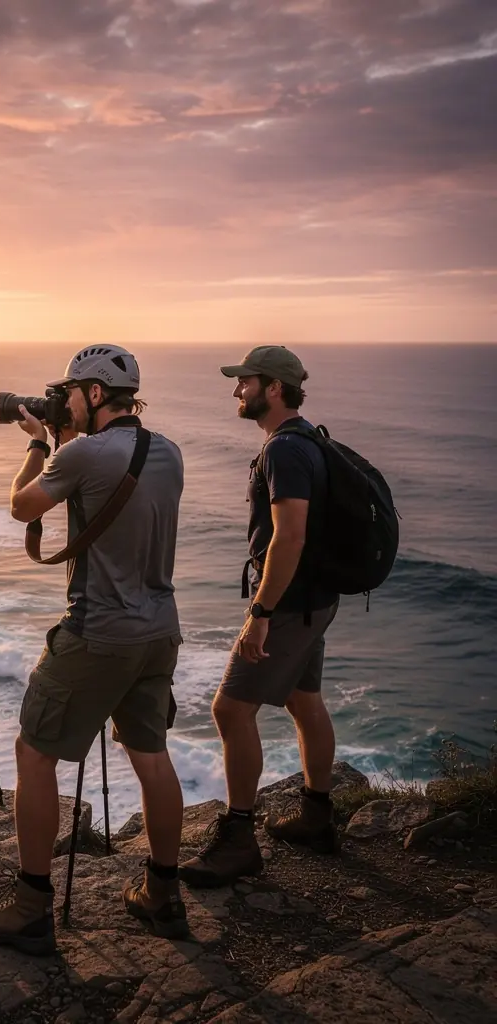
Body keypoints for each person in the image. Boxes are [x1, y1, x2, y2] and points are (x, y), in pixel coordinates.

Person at [0, 345, 188, 955]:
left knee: (34, 755)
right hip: (159, 631)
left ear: (92, 394)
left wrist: (40, 443)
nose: (64, 400)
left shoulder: (82, 452)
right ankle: (163, 895)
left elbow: (22, 505)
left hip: (98, 633)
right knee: (150, 752)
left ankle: (31, 908)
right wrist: (64, 436)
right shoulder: (168, 451)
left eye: (70, 392)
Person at [179, 346, 340, 889]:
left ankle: (240, 839)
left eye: (244, 383)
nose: (236, 391)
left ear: (273, 387)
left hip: (290, 603)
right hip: (317, 598)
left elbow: (289, 535)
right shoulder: (308, 438)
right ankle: (318, 815)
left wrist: (261, 613)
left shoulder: (285, 452)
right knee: (303, 699)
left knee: (229, 710)